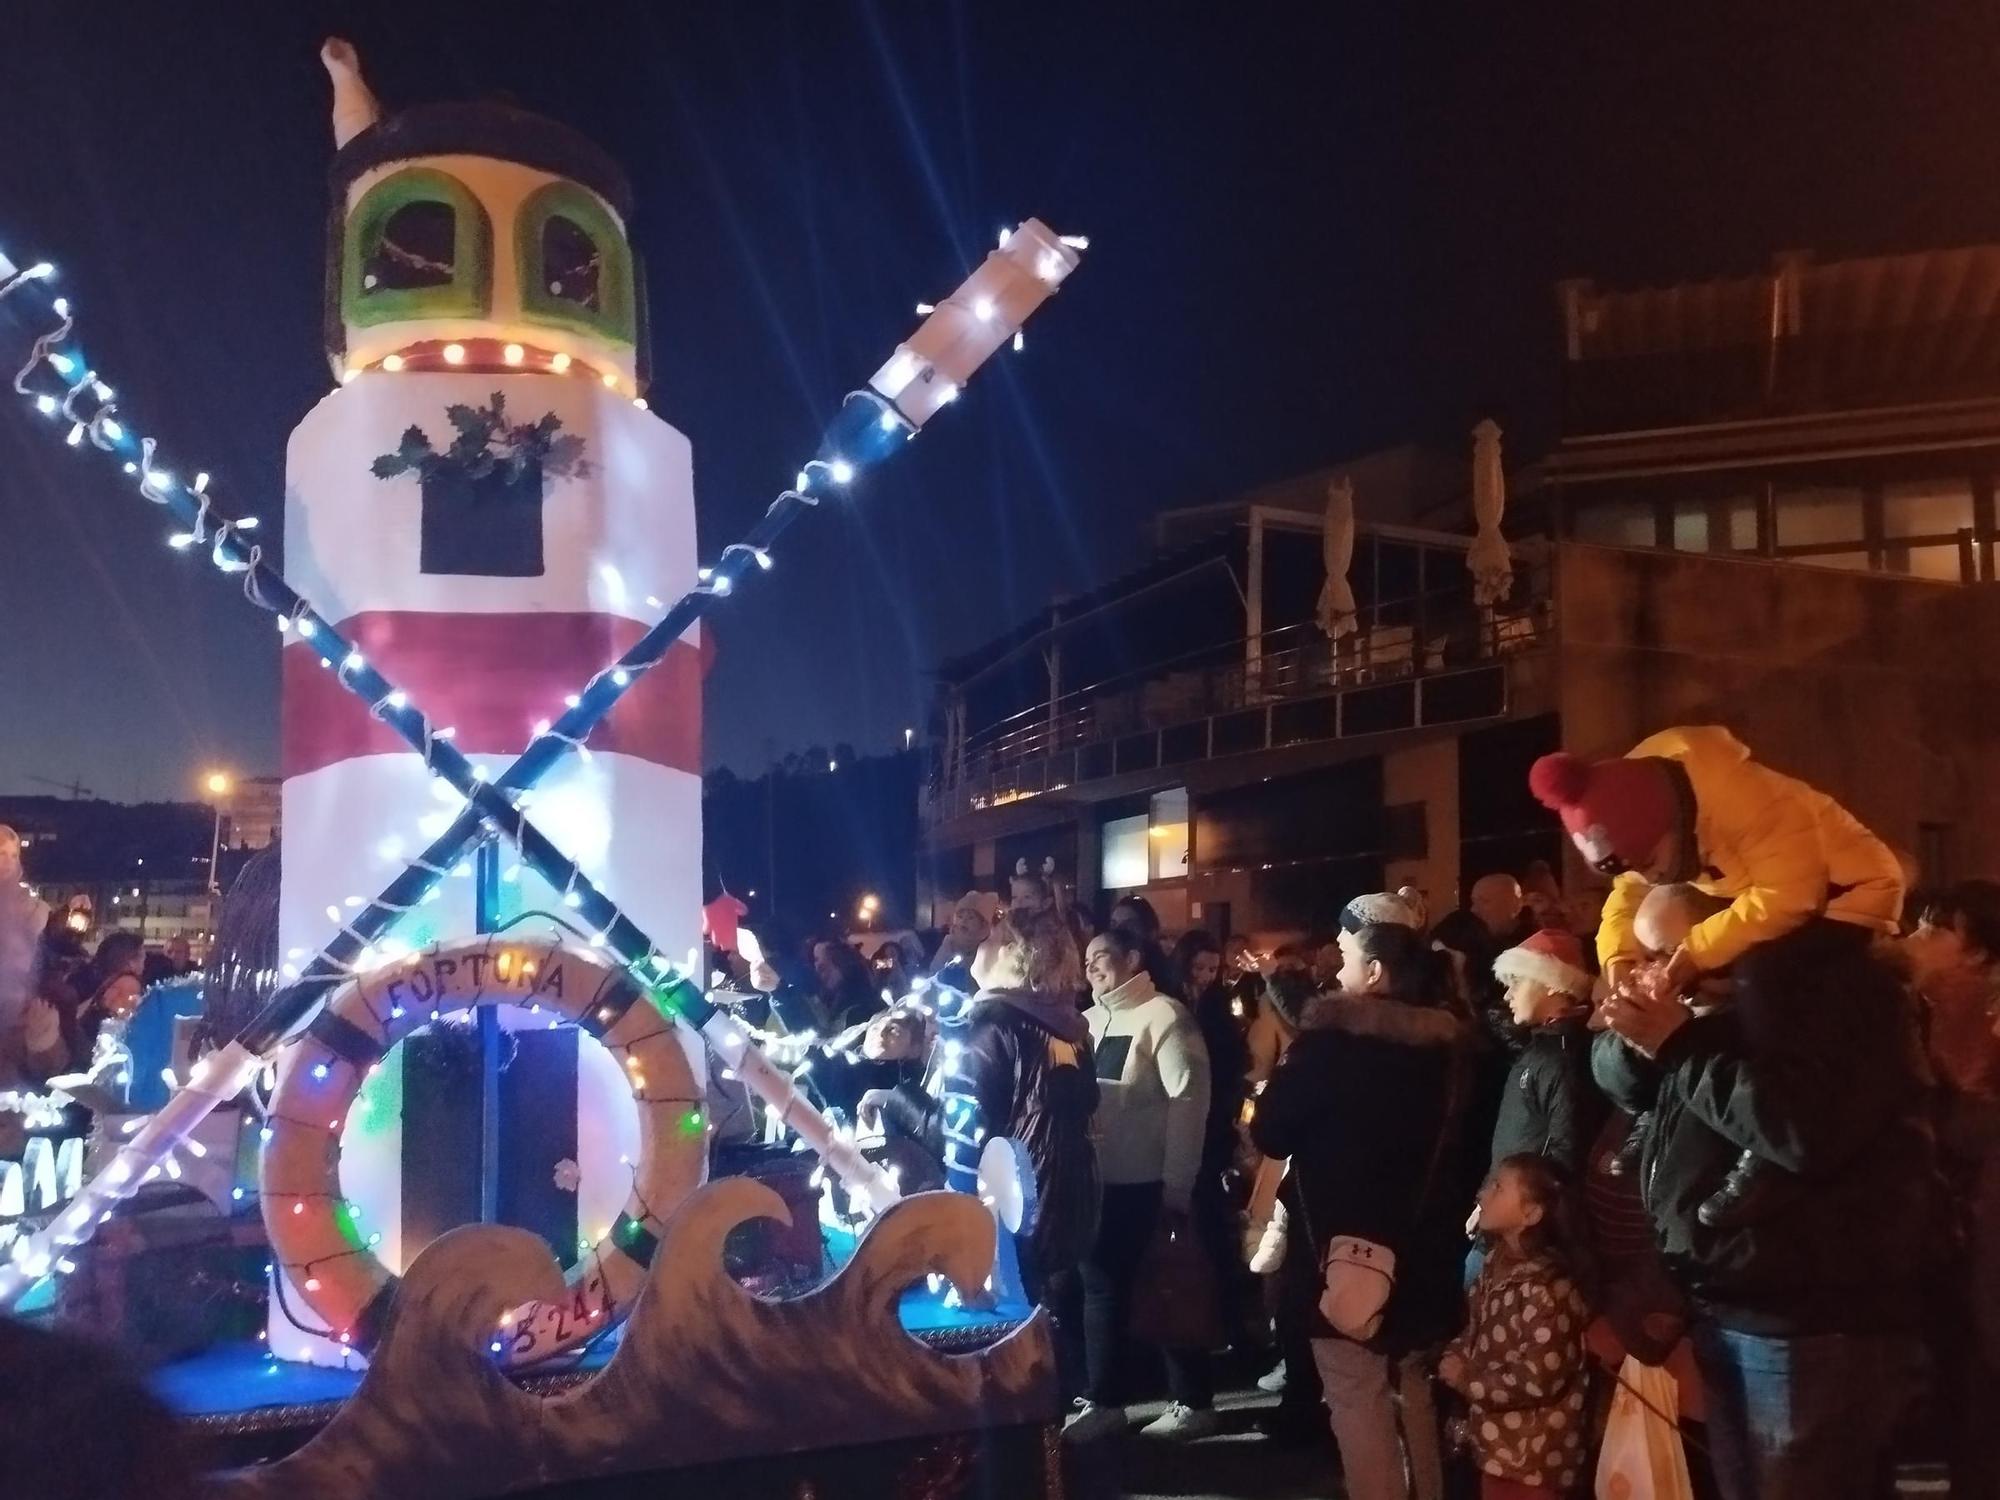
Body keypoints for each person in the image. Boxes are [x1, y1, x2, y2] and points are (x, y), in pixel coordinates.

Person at [1592, 917, 1934, 1500]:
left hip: (1805, 1319)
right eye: (1651, 954)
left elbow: (1799, 1130)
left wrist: (1678, 1041)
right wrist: (1640, 1031)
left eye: (1675, 947)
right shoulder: (1707, 1010)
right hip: (1730, 1302)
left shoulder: (1816, 1002)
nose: (1662, 965)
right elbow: (1621, 1082)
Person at [1251, 920, 1469, 1500]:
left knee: (1356, 1395)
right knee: (1413, 1387)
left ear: (1375, 973)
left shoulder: (1329, 1045)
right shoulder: (1451, 1052)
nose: (1332, 968)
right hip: (1425, 1247)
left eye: (1344, 956)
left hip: (1340, 1251)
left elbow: (1272, 1130)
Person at [1530, 725, 1905, 1001]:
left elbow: (1792, 895)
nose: (1649, 876)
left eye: (1649, 861)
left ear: (1671, 823)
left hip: (1849, 895)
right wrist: (1618, 960)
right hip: (1772, 898)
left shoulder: (1744, 800)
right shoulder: (1643, 826)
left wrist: (1695, 953)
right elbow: (1626, 896)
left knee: (1759, 982)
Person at [859, 910, 1099, 1309]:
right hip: (1073, 1203)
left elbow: (959, 1135)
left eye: (990, 940)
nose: (978, 947)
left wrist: (897, 1097)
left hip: (1014, 1215)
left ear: (1012, 954)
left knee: (1011, 1341)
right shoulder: (1072, 1029)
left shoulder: (992, 1030)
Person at [1065, 926, 1215, 1442]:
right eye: (1086, 961)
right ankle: (1106, 1399)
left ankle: (1192, 1400)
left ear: (1133, 957)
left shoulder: (1166, 1016)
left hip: (1148, 1180)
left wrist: (1178, 1184)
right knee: (1100, 1288)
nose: (1091, 968)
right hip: (1098, 1181)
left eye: (1101, 957)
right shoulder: (1083, 1023)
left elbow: (1189, 1100)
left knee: (1166, 1283)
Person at [1904, 881, 2000, 1500]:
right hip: (1942, 1251)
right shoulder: (1917, 1014)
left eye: (1937, 931)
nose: (1914, 940)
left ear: (1982, 956)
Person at [1438, 1153, 1594, 1499]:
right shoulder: (1496, 1263)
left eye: (1498, 1187)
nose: (1483, 1194)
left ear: (1532, 1214)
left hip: (1534, 1458)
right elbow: (1477, 1329)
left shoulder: (1547, 1289)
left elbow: (1540, 1378)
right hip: (1497, 1448)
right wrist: (1456, 1353)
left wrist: (1468, 1380)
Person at [1486, 927, 1603, 1175]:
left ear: (1552, 984)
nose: (1507, 994)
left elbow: (1565, 1154)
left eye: (1517, 981)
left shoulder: (1562, 1057)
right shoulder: (1544, 1047)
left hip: (1525, 1207)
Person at [0, 825, 49, 1086]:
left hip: (17, 1003)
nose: (7, 861)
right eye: (0, 853)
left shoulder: (32, 908)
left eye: (13, 854)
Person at [928, 891, 996, 995]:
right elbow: (935, 970)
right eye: (960, 917)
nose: (964, 921)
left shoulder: (986, 948)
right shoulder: (949, 943)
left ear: (983, 925)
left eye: (970, 918)